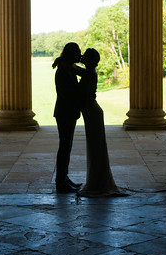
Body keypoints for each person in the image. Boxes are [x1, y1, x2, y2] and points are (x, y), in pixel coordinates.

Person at [77, 48, 127, 197]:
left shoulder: (88, 72)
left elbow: (73, 68)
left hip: (93, 113)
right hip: (92, 112)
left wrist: (63, 62)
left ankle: (97, 182)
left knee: (96, 147)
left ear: (89, 60)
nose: (82, 57)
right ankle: (97, 180)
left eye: (84, 56)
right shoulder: (88, 71)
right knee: (95, 147)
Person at [52, 42, 83, 193]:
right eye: (78, 52)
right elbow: (69, 92)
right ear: (72, 54)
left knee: (66, 146)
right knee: (64, 146)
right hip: (65, 112)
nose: (80, 54)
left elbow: (85, 72)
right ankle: (60, 182)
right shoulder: (64, 70)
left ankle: (64, 177)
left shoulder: (67, 67)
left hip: (66, 112)